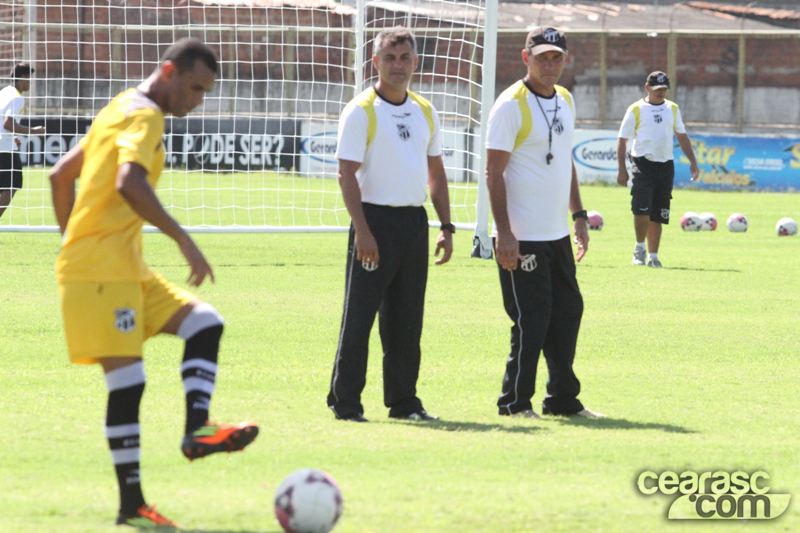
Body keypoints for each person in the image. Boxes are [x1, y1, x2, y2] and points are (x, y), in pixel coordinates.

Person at [49, 38, 258, 528]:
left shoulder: (119, 105)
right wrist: (183, 240)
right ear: (168, 71)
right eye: (194, 88)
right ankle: (132, 507)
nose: (198, 100)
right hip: (103, 272)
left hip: (120, 268)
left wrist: (72, 243)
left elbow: (61, 176)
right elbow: (128, 182)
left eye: (205, 92)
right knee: (128, 383)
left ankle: (197, 430)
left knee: (204, 322)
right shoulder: (145, 117)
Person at [327, 26, 453, 423]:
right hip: (374, 221)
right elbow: (346, 174)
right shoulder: (362, 110)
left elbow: (436, 171)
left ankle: (404, 403)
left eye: (404, 58)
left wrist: (446, 226)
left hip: (414, 223)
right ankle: (345, 402)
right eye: (389, 58)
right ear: (375, 62)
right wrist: (363, 230)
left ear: (415, 62)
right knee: (360, 317)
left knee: (407, 320)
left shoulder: (425, 110)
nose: (397, 65)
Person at [485, 26, 603, 420]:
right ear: (526, 58)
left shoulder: (565, 99)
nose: (549, 64)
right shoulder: (510, 106)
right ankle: (515, 404)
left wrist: (579, 215)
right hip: (522, 237)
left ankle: (562, 400)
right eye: (542, 57)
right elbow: (493, 173)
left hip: (556, 234)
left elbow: (564, 159)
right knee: (531, 320)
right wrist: (505, 233)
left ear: (564, 60)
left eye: (556, 57)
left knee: (568, 311)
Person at [616, 71, 699, 268]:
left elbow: (681, 136)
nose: (661, 93)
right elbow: (622, 139)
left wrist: (693, 161)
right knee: (641, 208)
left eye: (664, 89)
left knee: (658, 213)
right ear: (647, 88)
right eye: (657, 89)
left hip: (665, 166)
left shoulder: (673, 108)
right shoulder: (636, 109)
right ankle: (639, 249)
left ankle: (653, 256)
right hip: (642, 164)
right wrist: (622, 169)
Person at [0, 62, 46, 219]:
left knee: (3, 186)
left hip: (4, 144)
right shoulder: (17, 97)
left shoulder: (5, 91)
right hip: (4, 149)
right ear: (23, 77)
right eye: (29, 78)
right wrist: (34, 131)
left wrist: (12, 137)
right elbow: (7, 123)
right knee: (12, 183)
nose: (30, 83)